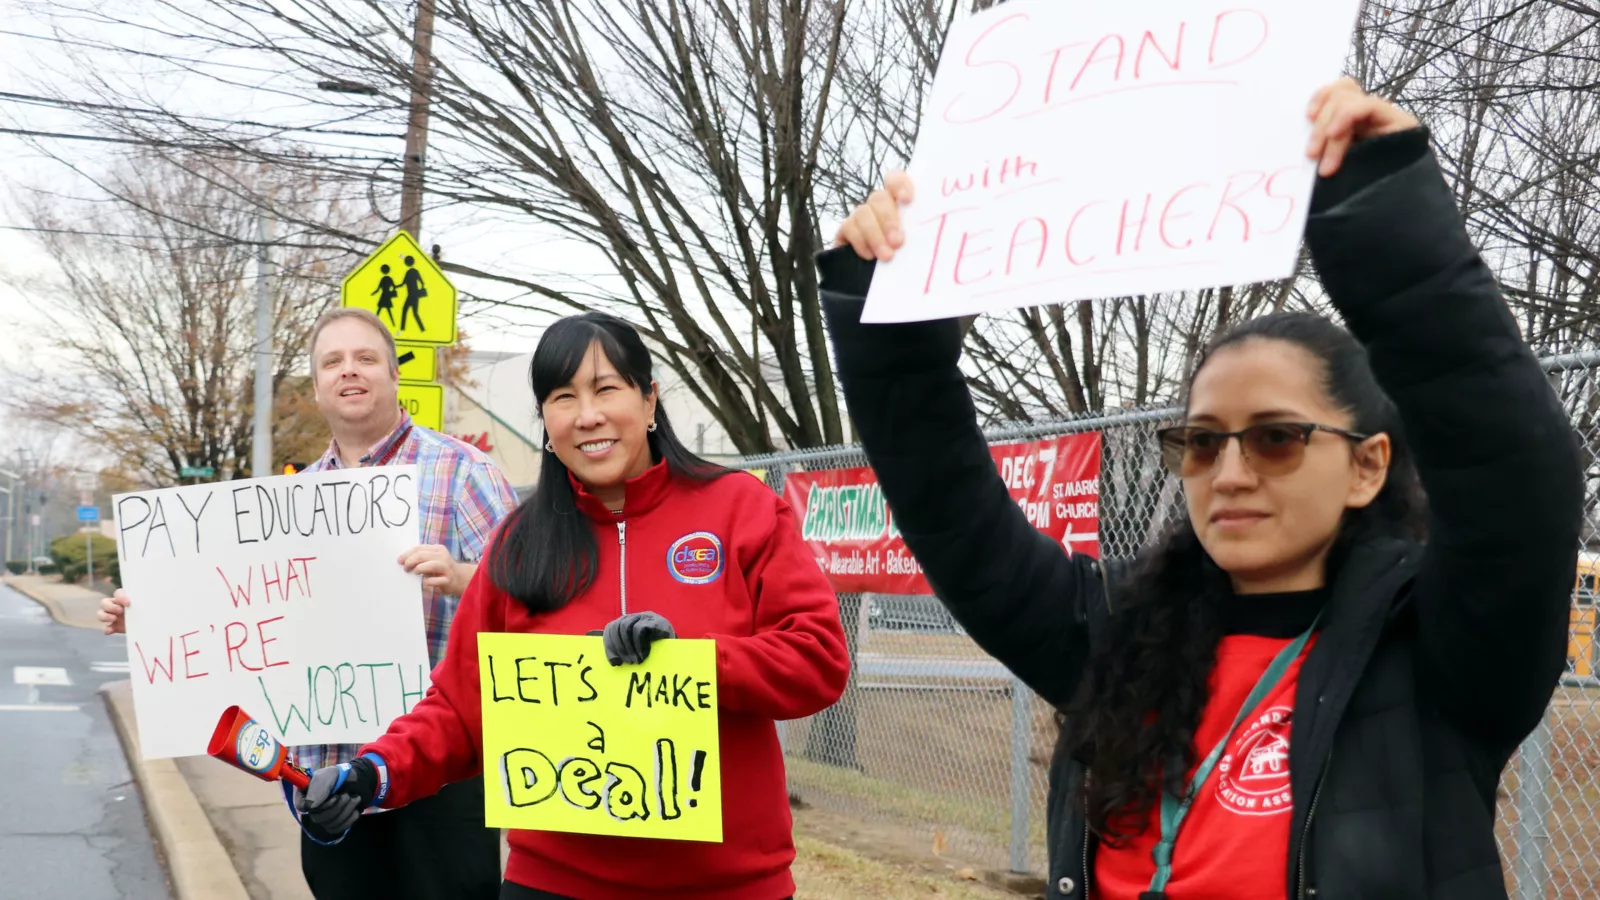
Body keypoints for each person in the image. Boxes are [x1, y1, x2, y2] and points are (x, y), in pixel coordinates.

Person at [820, 79, 1582, 899]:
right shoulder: (1114, 632)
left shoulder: (1438, 644)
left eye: (1277, 438)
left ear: (1367, 466)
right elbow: (948, 506)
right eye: (1201, 440)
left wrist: (1387, 217)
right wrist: (887, 317)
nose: (1230, 472)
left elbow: (1519, 477)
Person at [292, 311, 851, 900]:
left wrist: (692, 664)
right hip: (552, 884)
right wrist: (372, 774)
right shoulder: (520, 542)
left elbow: (817, 661)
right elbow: (460, 708)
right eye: (563, 397)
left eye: (607, 388)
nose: (588, 416)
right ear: (546, 422)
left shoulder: (740, 508)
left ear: (650, 399)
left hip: (727, 885)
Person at [100, 307, 519, 900]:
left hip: (441, 772)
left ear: (395, 374)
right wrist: (149, 623)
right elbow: (243, 618)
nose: (350, 372)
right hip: (328, 775)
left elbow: (531, 605)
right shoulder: (292, 503)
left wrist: (461, 576)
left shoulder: (463, 472)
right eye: (333, 362)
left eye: (365, 358)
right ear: (318, 385)